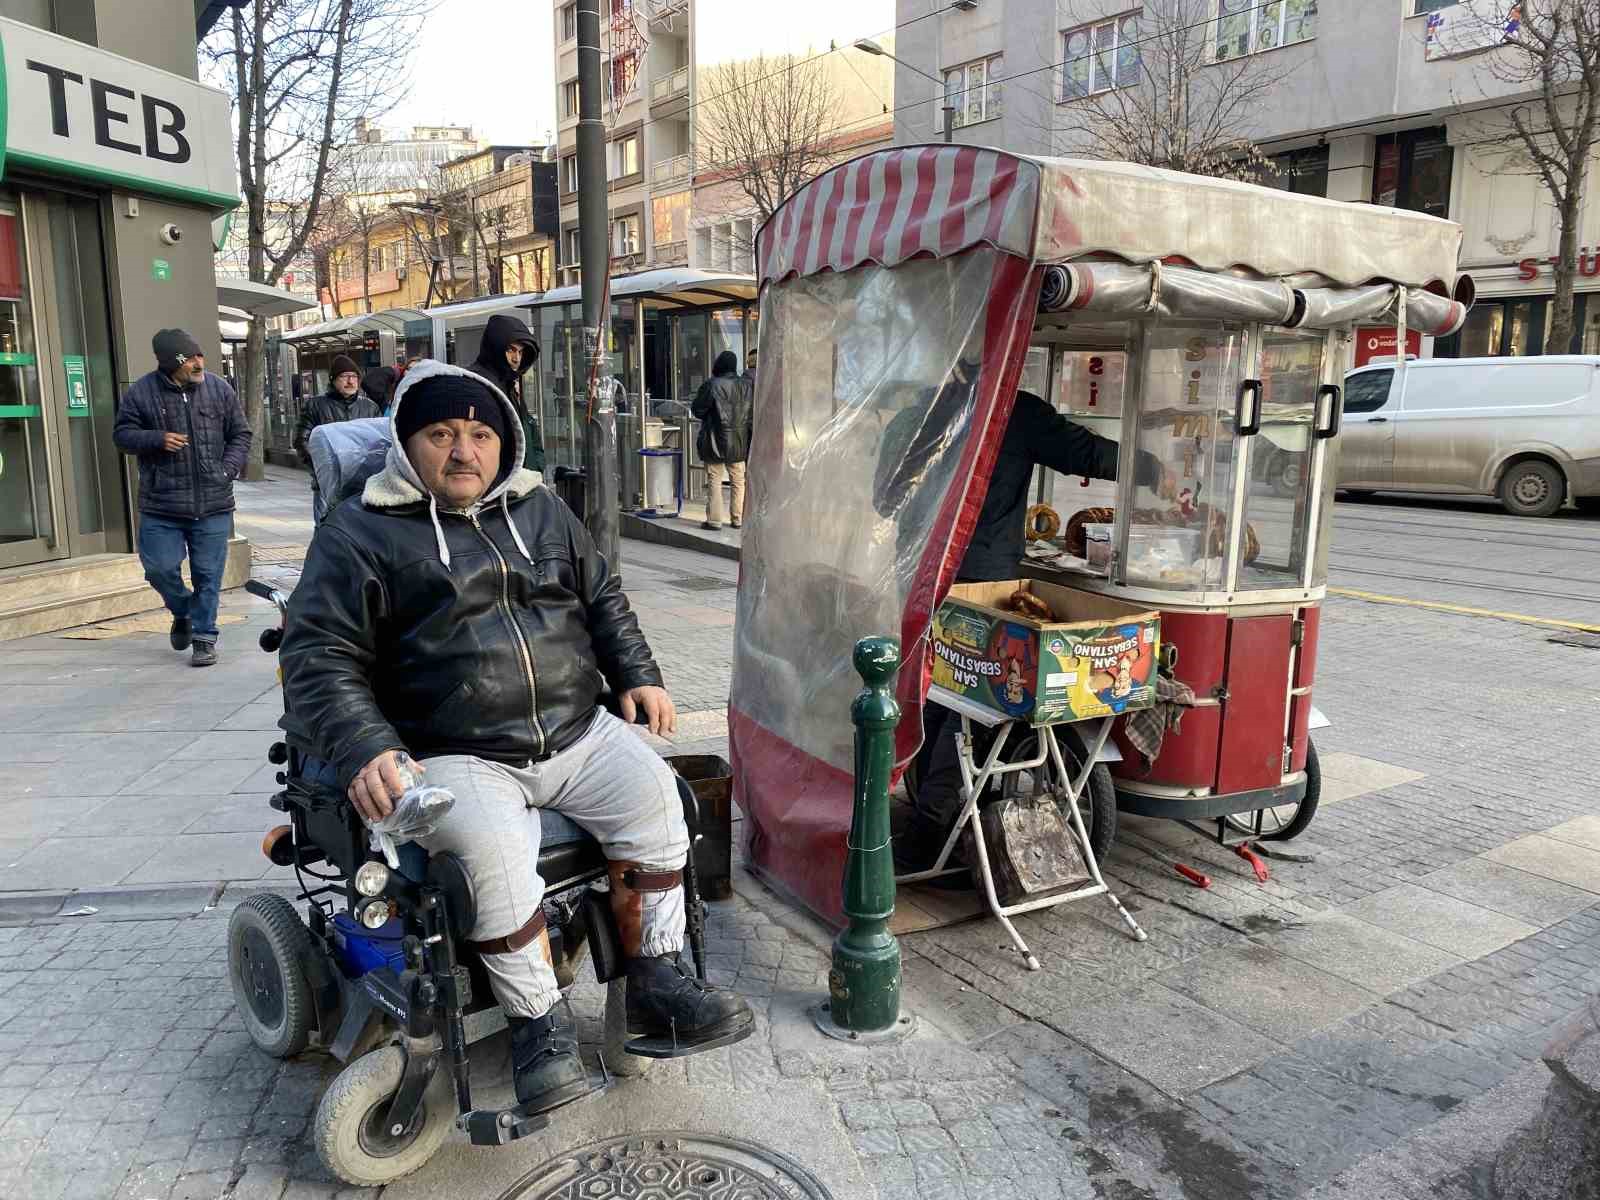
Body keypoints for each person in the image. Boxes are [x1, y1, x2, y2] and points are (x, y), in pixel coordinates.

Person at [279, 362, 751, 1115]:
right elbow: (319, 654)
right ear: (406, 443)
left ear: (505, 443)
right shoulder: (359, 532)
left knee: (661, 805)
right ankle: (539, 1027)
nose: (463, 452)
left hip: (576, 728)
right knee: (494, 861)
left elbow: (602, 597)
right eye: (441, 434)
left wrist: (638, 672)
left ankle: (655, 979)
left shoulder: (541, 509)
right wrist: (366, 745)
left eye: (480, 435)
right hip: (454, 748)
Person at [896, 388, 1175, 873]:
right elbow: (1083, 451)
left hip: (923, 568)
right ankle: (932, 825)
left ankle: (929, 812)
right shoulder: (1011, 406)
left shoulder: (930, 401)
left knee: (938, 687)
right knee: (968, 703)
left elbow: (887, 495)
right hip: (981, 575)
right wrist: (1151, 468)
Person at [113, 329, 251, 668]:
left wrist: (227, 470)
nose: (198, 363)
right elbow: (122, 436)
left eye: (199, 355)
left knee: (208, 575)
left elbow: (240, 434)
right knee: (158, 569)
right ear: (168, 363)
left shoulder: (219, 388)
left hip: (213, 503)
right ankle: (183, 610)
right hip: (162, 504)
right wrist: (157, 439)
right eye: (189, 359)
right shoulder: (141, 392)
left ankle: (204, 638)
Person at [468, 314, 546, 474]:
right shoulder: (477, 384)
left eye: (521, 352)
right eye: (511, 350)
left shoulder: (508, 384)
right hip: (501, 480)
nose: (517, 358)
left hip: (522, 478)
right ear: (495, 348)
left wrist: (537, 465)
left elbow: (528, 429)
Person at [691, 350, 751, 531]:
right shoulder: (746, 386)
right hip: (739, 440)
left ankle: (715, 520)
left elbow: (698, 410)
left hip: (715, 439)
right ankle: (738, 518)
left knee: (714, 479)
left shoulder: (711, 385)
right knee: (738, 480)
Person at [294, 355, 379, 463]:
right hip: (328, 469)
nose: (350, 381)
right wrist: (321, 465)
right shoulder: (314, 405)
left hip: (364, 469)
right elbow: (302, 441)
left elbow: (379, 441)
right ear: (333, 380)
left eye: (354, 376)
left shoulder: (370, 407)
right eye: (344, 376)